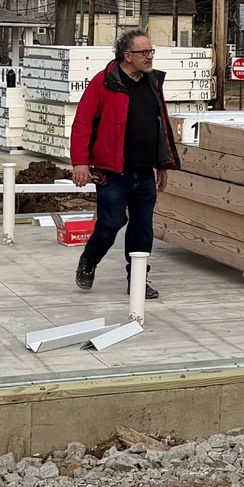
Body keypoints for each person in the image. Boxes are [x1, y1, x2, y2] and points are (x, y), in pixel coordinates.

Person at [69, 29, 179, 298]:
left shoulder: (152, 83)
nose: (150, 56)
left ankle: (138, 280)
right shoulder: (104, 82)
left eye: (151, 51)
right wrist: (80, 163)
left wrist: (163, 164)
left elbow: (161, 125)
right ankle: (90, 259)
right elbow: (82, 124)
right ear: (127, 56)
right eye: (144, 52)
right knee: (111, 224)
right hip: (112, 172)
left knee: (143, 228)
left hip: (144, 171)